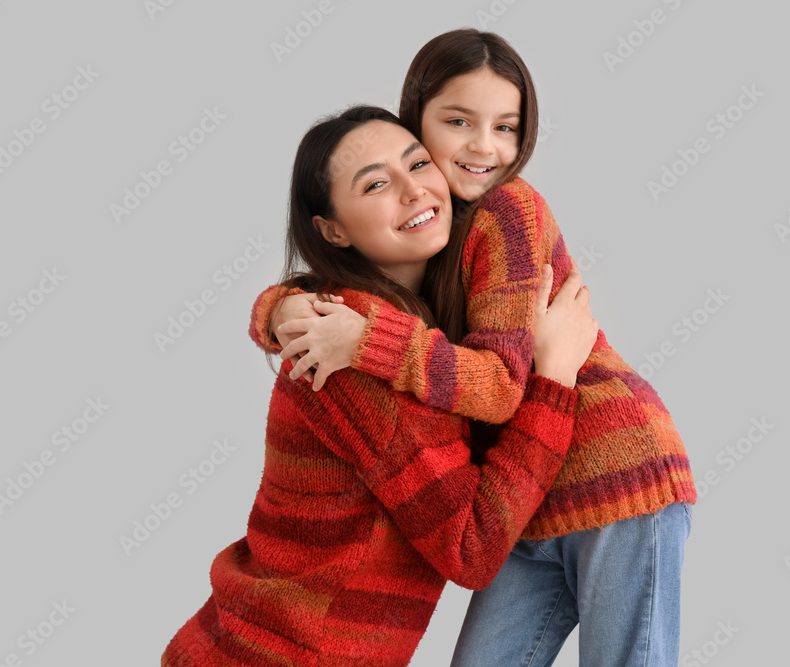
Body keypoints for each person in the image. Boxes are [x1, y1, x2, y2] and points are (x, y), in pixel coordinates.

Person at [259, 29, 697, 667]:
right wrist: (281, 309)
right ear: (414, 120)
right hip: (519, 497)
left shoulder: (508, 212)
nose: (482, 148)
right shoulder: (429, 225)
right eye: (458, 121)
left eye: (506, 127)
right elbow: (339, 292)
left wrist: (366, 340)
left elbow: (498, 388)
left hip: (616, 470)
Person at [160, 105, 599, 666]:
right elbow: (471, 547)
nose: (413, 190)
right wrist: (555, 378)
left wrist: (273, 309)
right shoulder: (358, 358)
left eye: (417, 163)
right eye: (375, 184)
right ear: (332, 230)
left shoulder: (375, 324)